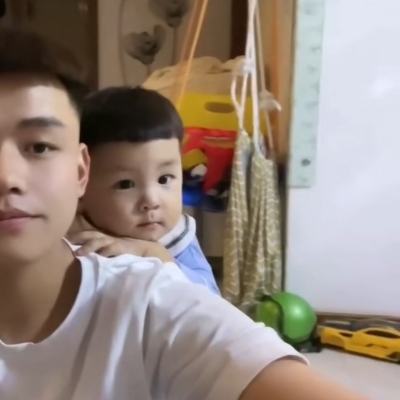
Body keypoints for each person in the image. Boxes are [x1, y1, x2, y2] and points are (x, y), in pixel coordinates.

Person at [0, 27, 368, 400]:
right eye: (125, 184)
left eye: (39, 146)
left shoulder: (149, 299)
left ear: (80, 171)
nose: (7, 178)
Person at [67, 86, 220, 295]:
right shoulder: (71, 238)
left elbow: (212, 300)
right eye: (126, 184)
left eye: (164, 179)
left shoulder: (175, 239)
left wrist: (158, 256)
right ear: (80, 186)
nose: (151, 200)